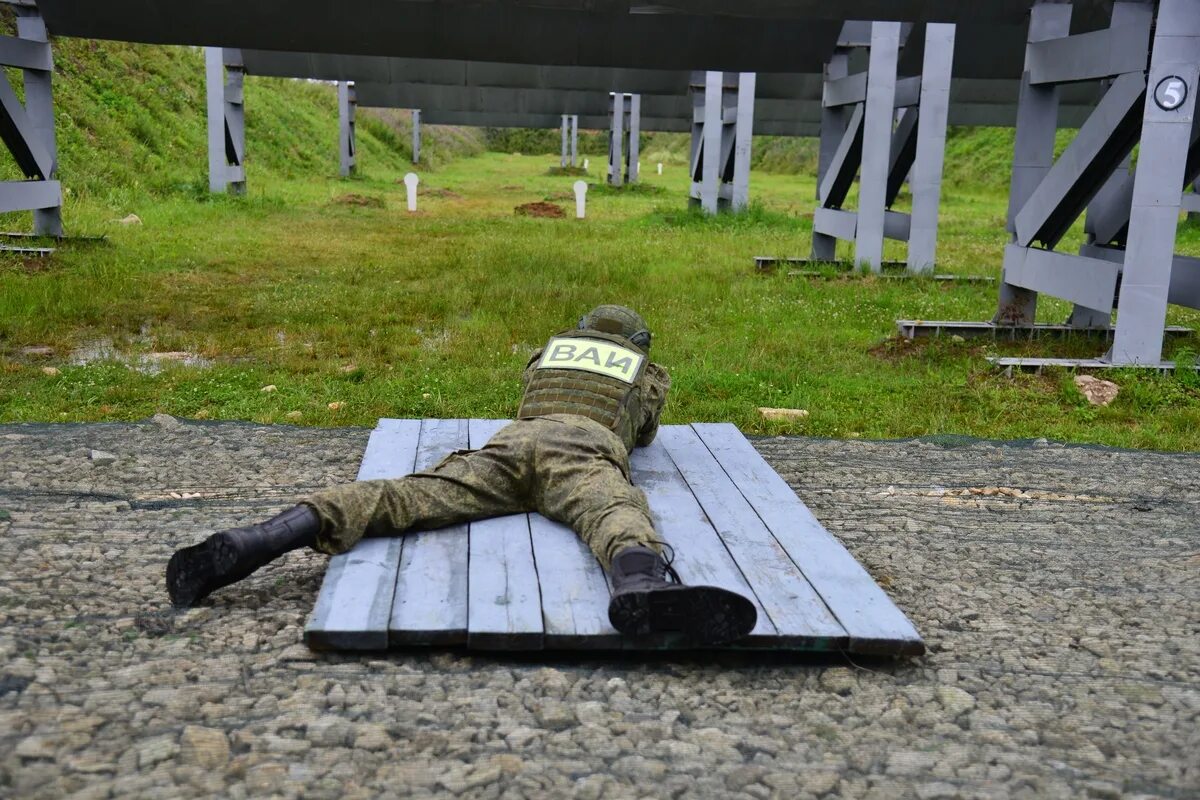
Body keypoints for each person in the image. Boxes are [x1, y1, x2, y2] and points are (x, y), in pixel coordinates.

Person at [166, 305, 757, 645]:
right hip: (579, 448)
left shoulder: (547, 353)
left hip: (511, 445)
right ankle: (642, 587)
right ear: (638, 343)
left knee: (408, 495)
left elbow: (528, 400)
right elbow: (647, 433)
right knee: (613, 511)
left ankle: (260, 539)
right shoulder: (642, 369)